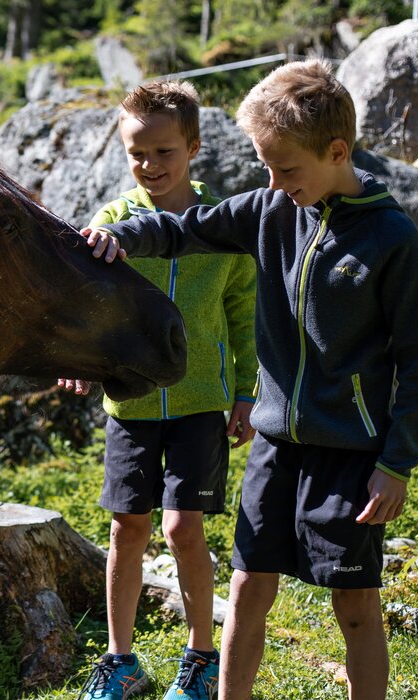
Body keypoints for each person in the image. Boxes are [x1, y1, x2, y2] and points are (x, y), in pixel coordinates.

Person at [84, 60, 418, 700]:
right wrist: (119, 236)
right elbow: (182, 227)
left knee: (355, 604)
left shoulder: (392, 237)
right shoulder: (270, 208)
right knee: (247, 587)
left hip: (350, 453)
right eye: (263, 168)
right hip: (275, 445)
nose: (272, 183)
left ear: (337, 151)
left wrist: (398, 461)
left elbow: (417, 361)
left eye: (286, 168)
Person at [62, 80, 258, 700]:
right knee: (127, 527)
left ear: (193, 146)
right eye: (136, 154)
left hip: (202, 401)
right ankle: (120, 661)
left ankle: (200, 658)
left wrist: (246, 393)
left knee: (182, 528)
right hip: (131, 400)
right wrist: (79, 355)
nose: (149, 166)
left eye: (164, 152)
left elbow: (242, 312)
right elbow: (80, 298)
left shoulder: (224, 225)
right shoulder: (112, 223)